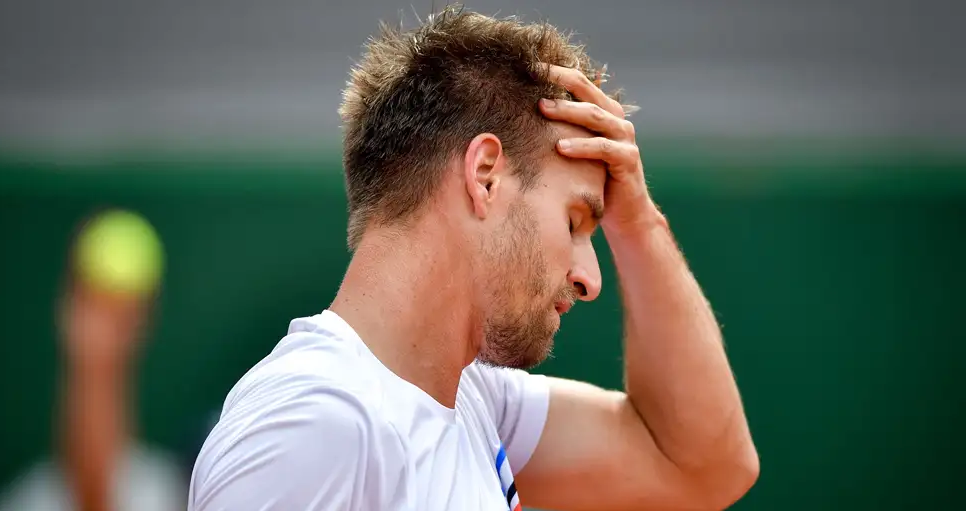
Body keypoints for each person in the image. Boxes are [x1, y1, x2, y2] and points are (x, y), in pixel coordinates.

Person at [189, 8, 759, 511]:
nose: (589, 279)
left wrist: (639, 222)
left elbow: (704, 467)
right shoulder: (314, 424)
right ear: (485, 176)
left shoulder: (473, 398)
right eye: (573, 222)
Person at [0, 211, 186, 511]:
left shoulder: (170, 489)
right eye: (93, 304)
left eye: (124, 314)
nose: (104, 323)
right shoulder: (26, 499)